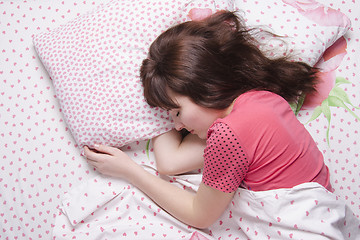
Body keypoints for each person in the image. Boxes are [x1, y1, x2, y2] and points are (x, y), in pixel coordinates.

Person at [84, 11, 331, 229]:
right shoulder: (263, 100)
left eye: (177, 112)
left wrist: (129, 171)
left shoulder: (228, 134)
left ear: (205, 87)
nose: (177, 126)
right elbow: (170, 163)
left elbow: (199, 215)